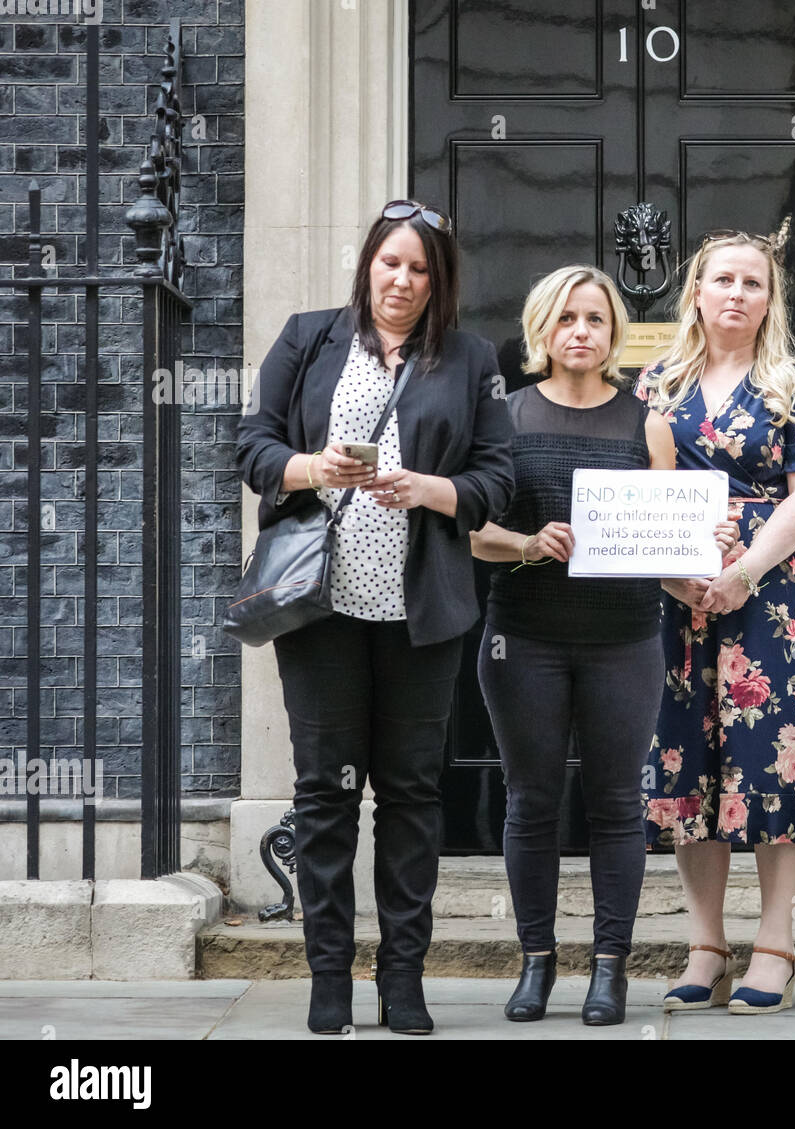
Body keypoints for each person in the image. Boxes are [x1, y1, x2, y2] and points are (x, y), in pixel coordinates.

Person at [236, 200, 514, 1035]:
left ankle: (404, 977)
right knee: (325, 794)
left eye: (420, 268)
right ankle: (329, 977)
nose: (402, 280)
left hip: (418, 613)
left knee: (411, 794)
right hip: (319, 611)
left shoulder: (468, 360)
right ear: (367, 265)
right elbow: (252, 446)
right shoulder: (309, 338)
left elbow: (499, 477)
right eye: (390, 263)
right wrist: (308, 465)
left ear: (439, 282)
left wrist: (433, 489)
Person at [470, 265, 739, 1026]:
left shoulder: (645, 422)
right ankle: (536, 963)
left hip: (624, 638)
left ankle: (610, 968)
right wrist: (528, 542)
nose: (580, 331)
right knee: (531, 800)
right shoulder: (506, 417)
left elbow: (668, 541)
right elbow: (469, 529)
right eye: (565, 319)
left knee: (619, 803)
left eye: (594, 318)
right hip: (523, 639)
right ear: (541, 332)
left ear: (613, 331)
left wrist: (705, 546)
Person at [638, 232, 795, 1016]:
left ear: (769, 299)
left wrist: (742, 569)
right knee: (690, 764)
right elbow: (641, 494)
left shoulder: (793, 383)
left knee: (774, 763)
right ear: (696, 290)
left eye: (752, 282)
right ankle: (705, 943)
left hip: (773, 595)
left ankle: (776, 944)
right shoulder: (656, 383)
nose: (736, 293)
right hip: (677, 595)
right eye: (722, 279)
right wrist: (683, 574)